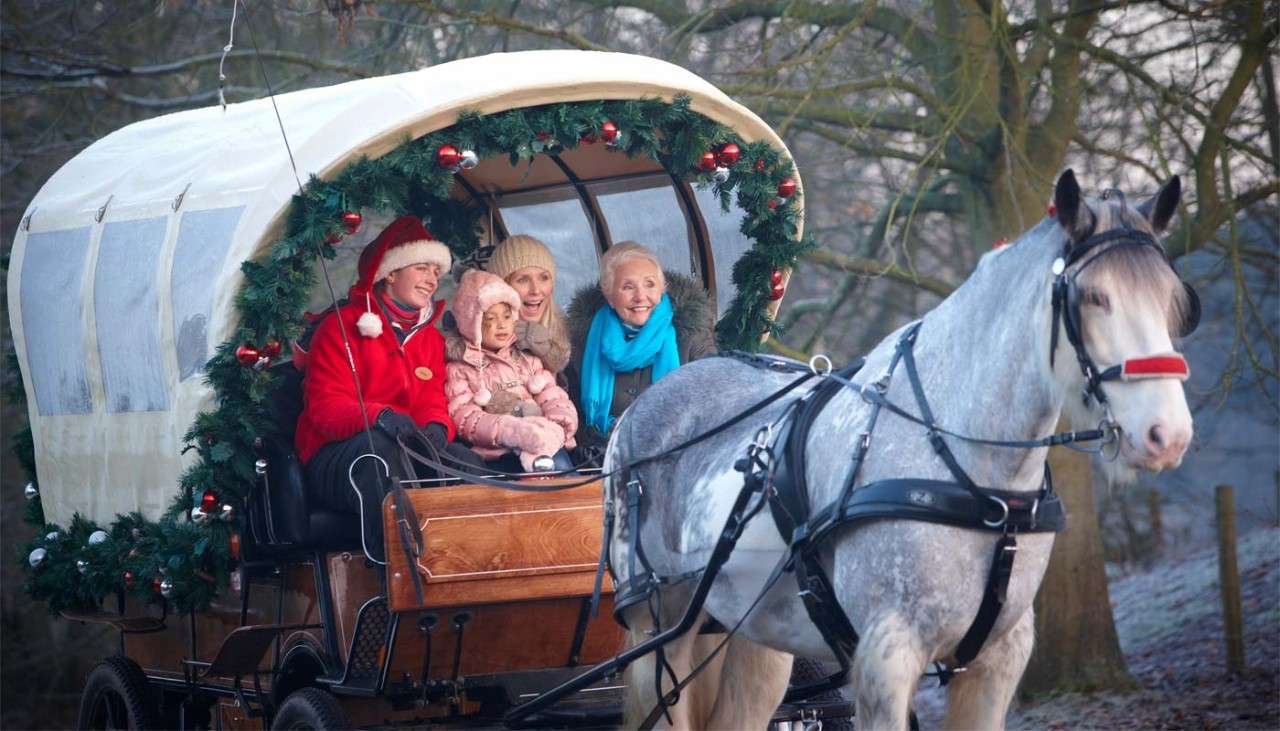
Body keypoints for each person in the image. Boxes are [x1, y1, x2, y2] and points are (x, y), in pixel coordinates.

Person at [295, 215, 481, 561]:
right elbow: (325, 409)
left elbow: (431, 399)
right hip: (337, 455)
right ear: (390, 272)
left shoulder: (429, 338)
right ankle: (397, 572)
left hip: (404, 444)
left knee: (465, 463)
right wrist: (380, 415)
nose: (432, 279)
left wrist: (438, 428)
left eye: (436, 272)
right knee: (379, 453)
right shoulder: (341, 328)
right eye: (422, 268)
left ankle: (472, 568)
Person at [566, 241, 716, 453]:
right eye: (628, 287)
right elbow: (576, 421)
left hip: (676, 455)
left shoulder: (691, 338)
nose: (640, 296)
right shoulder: (582, 344)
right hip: (604, 461)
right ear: (609, 296)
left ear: (662, 289)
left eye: (649, 284)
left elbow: (711, 407)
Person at [444, 269, 578, 472]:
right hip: (499, 454)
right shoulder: (461, 368)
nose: (501, 325)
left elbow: (553, 396)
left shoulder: (527, 358)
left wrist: (556, 425)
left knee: (563, 473)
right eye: (490, 319)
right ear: (472, 322)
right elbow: (464, 417)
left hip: (544, 443)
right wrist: (508, 431)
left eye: (507, 317)